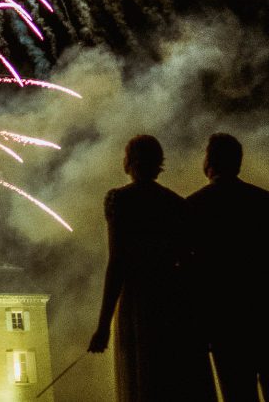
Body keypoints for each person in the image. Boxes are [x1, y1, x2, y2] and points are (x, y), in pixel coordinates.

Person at [89, 135, 216, 402]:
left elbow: (117, 263)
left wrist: (103, 326)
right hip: (174, 300)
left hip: (138, 300)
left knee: (141, 380)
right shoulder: (177, 204)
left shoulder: (119, 200)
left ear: (131, 161)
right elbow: (190, 261)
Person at [187, 133, 269, 402]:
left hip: (226, 324)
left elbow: (193, 274)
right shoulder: (267, 202)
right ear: (238, 163)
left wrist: (200, 326)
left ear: (209, 163)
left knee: (238, 395)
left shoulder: (194, 207)